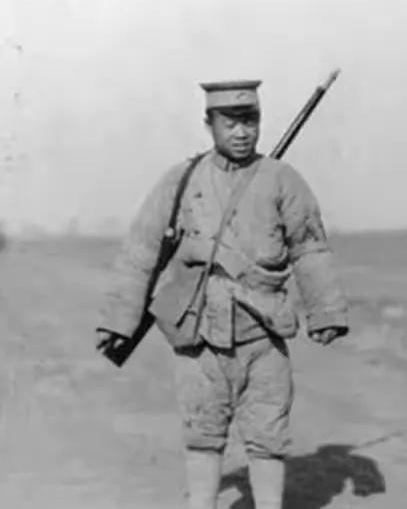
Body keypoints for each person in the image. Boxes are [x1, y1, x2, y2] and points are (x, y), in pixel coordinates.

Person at [95, 80, 349, 509]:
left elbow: (310, 248)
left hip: (263, 334)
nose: (242, 132)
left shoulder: (283, 180)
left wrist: (326, 312)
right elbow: (141, 250)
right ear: (208, 124)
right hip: (199, 335)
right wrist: (118, 322)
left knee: (268, 435)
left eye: (250, 121)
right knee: (203, 434)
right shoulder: (181, 181)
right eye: (230, 123)